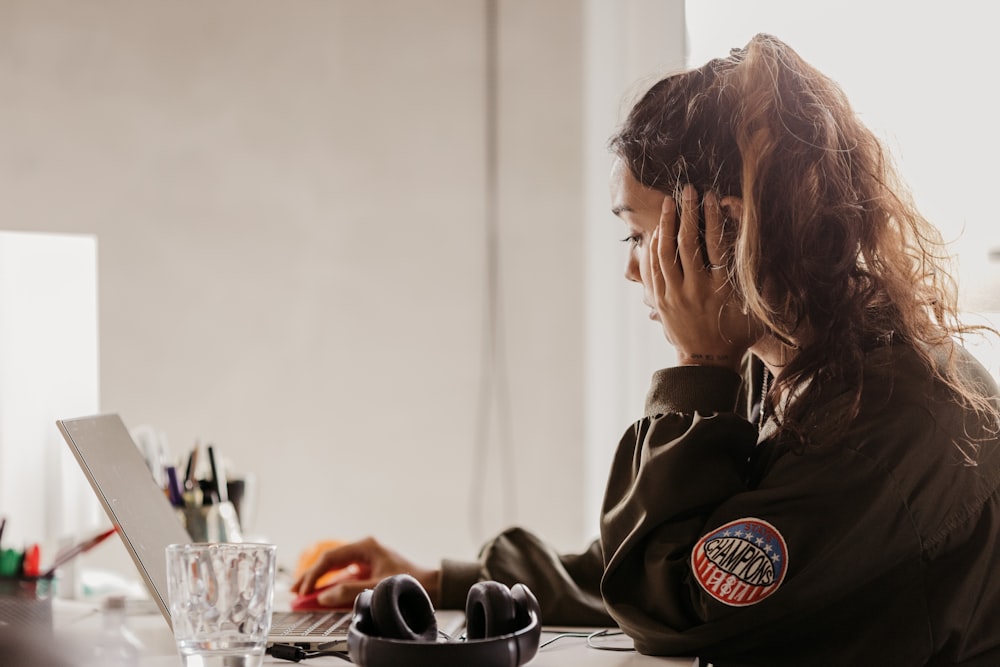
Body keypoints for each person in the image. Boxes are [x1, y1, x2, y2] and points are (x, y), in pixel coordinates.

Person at [293, 34, 1000, 665]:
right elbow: (640, 560)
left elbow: (675, 598)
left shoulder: (887, 421)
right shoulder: (796, 363)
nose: (634, 269)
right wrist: (442, 579)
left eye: (640, 237)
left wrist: (697, 373)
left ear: (727, 228)